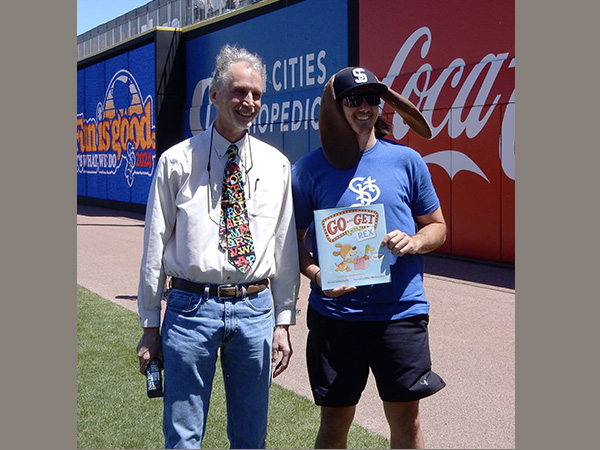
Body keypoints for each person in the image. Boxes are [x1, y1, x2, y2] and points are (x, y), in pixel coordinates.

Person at [136, 44, 300, 449]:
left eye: (256, 94)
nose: (249, 102)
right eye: (239, 92)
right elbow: (154, 244)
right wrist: (149, 324)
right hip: (190, 311)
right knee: (183, 436)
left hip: (255, 311)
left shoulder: (276, 165)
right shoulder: (176, 162)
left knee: (250, 437)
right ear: (214, 95)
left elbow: (284, 248)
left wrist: (283, 321)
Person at [291, 67, 447, 449]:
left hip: (400, 313)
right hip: (336, 317)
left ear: (381, 105)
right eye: (353, 100)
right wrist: (316, 275)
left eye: (371, 99)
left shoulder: (407, 160)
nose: (363, 107)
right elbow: (292, 243)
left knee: (407, 422)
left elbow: (438, 227)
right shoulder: (308, 169)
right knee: (335, 423)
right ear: (336, 107)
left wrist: (414, 241)